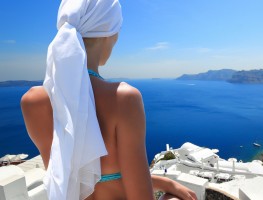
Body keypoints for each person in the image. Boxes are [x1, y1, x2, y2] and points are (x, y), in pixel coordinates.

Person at [20, 0, 196, 199]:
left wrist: (162, 181)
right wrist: (166, 189)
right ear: (109, 34)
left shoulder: (32, 101)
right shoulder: (124, 98)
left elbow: (75, 180)